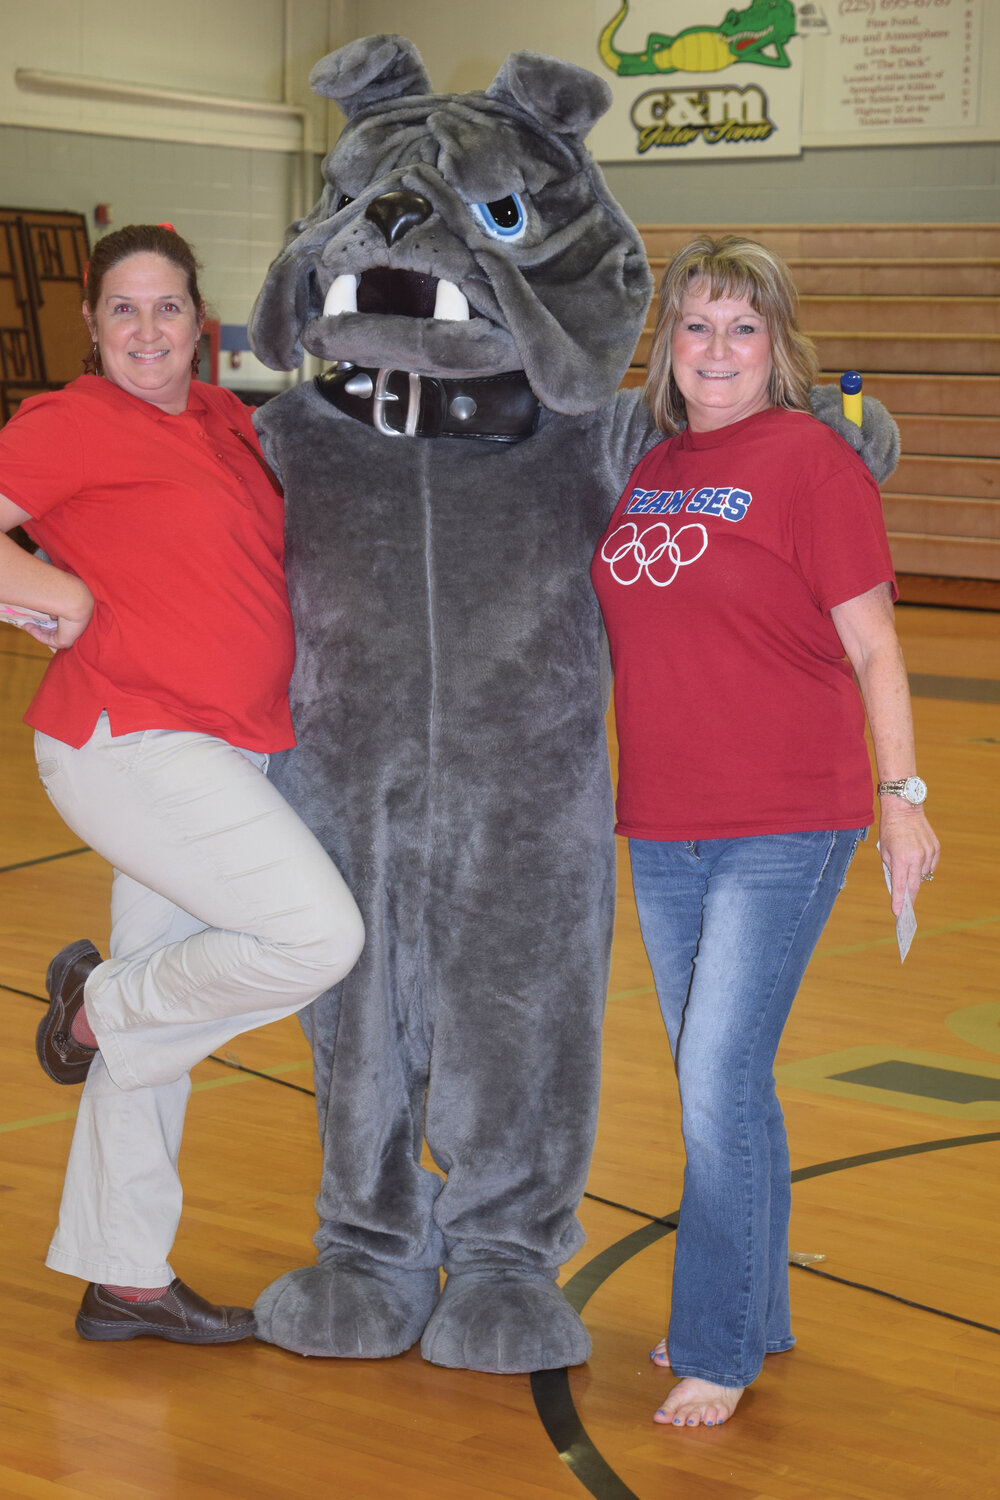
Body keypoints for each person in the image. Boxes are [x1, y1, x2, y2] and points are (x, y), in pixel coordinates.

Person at [591, 235, 939, 1428]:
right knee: (725, 1079)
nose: (717, 350)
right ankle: (760, 1304)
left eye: (742, 328)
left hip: (786, 818)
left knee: (711, 1079)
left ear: (779, 346)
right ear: (667, 347)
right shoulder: (643, 466)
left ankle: (719, 1341)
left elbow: (876, 646)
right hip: (663, 818)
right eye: (696, 326)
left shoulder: (809, 463)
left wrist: (903, 802)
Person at [0, 224, 364, 1344]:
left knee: (169, 1002)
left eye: (166, 309)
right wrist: (48, 596)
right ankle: (92, 1009)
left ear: (198, 322)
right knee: (316, 939)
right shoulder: (65, 422)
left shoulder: (224, 419)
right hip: (132, 742)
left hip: (231, 744)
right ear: (92, 326)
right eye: (124, 310)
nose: (147, 331)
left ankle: (124, 1275)